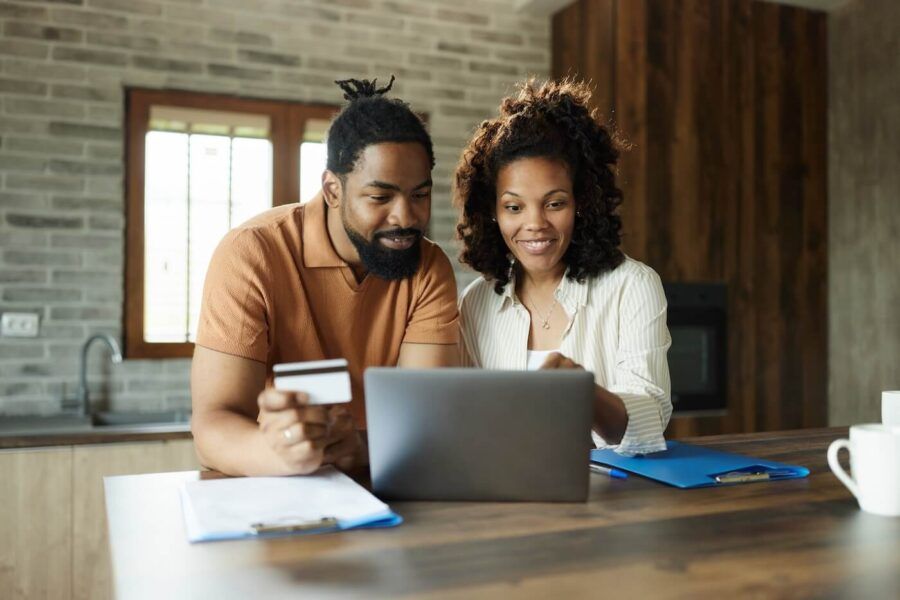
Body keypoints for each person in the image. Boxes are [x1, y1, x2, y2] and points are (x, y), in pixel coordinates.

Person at [191, 77, 459, 476]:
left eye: (419, 195)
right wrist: (283, 454)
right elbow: (213, 425)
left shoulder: (429, 268)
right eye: (380, 197)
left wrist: (361, 449)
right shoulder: (251, 254)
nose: (406, 217)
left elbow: (420, 421)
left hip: (385, 479)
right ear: (332, 190)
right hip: (279, 483)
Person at [454, 78, 672, 455]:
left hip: (608, 495)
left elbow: (651, 418)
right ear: (492, 213)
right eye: (514, 207)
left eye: (554, 203)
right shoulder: (476, 303)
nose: (535, 223)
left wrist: (584, 393)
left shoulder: (632, 286)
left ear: (581, 202)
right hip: (505, 489)